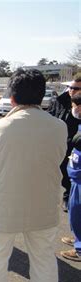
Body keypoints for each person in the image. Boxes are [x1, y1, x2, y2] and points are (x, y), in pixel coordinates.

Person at [0, 69, 67, 282]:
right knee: (44, 263)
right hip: (44, 205)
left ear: (12, 97)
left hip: (4, 205)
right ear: (42, 96)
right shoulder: (58, 127)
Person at [47, 73, 81, 212]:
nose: (72, 90)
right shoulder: (59, 101)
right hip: (59, 145)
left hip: (76, 146)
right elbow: (49, 116)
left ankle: (69, 197)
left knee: (73, 174)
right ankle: (68, 195)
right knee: (62, 172)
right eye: (70, 87)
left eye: (76, 88)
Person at [60, 93, 81, 262]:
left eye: (73, 106)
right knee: (76, 214)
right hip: (75, 179)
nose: (72, 110)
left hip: (80, 180)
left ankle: (80, 249)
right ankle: (77, 238)